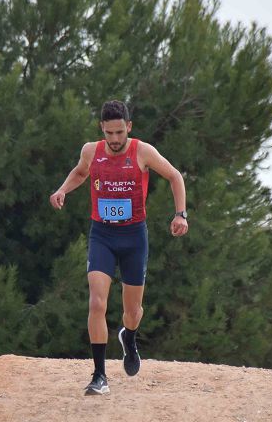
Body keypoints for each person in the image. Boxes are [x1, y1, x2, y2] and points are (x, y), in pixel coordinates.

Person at [50, 100, 188, 395]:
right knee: (97, 303)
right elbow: (79, 172)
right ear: (102, 128)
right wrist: (62, 190)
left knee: (133, 311)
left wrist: (180, 214)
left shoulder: (142, 151)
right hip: (102, 235)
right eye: (109, 133)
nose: (114, 140)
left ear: (129, 127)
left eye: (119, 133)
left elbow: (175, 176)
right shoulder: (91, 151)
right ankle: (99, 375)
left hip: (134, 238)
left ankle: (129, 337)